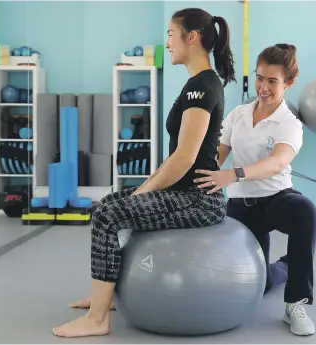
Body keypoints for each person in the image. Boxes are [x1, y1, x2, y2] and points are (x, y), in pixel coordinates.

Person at [52, 8, 236, 338]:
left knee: (109, 217)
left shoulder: (202, 86)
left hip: (197, 200)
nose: (166, 42)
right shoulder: (198, 84)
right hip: (182, 192)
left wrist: (143, 193)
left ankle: (97, 320)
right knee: (105, 205)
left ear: (190, 37)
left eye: (170, 34)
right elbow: (174, 158)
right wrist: (146, 185)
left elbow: (184, 158)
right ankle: (103, 298)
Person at [194, 44, 316, 336]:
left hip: (277, 199)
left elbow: (276, 163)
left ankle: (296, 302)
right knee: (258, 285)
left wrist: (232, 175)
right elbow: (217, 155)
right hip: (240, 206)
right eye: (260, 78)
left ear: (288, 83)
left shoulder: (290, 123)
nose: (263, 87)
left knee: (306, 212)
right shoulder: (238, 114)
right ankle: (286, 267)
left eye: (272, 81)